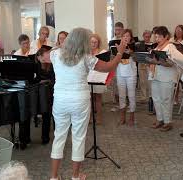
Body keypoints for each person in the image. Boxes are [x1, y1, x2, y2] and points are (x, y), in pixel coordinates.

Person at [49, 27, 127, 180]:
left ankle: (53, 177)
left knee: (59, 136)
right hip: (79, 99)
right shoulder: (86, 57)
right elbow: (109, 67)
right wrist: (120, 52)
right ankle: (76, 176)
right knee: (78, 137)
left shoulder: (54, 54)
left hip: (60, 99)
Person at [150, 26, 183, 131]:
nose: (157, 39)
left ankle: (167, 122)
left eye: (159, 37)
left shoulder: (170, 47)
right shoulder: (156, 48)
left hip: (167, 77)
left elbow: (173, 63)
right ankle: (159, 119)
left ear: (166, 36)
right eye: (156, 37)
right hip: (155, 75)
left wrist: (158, 62)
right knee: (156, 98)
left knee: (166, 100)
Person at [116, 29, 137, 126]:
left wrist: (131, 52)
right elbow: (113, 58)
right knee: (121, 95)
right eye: (124, 36)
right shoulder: (117, 46)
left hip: (131, 73)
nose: (126, 37)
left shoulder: (134, 47)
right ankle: (122, 116)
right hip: (120, 73)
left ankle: (132, 116)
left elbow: (137, 58)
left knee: (131, 95)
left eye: (128, 36)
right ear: (121, 37)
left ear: (130, 38)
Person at [36, 46, 55, 144]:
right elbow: (35, 79)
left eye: (45, 57)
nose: (42, 59)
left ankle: (51, 136)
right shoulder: (36, 65)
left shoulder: (51, 65)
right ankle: (44, 137)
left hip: (50, 91)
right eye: (41, 57)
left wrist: (46, 81)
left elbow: (54, 79)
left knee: (51, 114)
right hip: (39, 92)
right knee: (45, 114)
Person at [89, 33, 107, 124]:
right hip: (89, 77)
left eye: (95, 42)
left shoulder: (102, 52)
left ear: (98, 43)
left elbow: (105, 64)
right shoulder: (87, 53)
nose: (93, 44)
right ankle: (90, 117)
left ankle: (99, 118)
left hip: (99, 77)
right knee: (89, 98)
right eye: (92, 42)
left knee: (98, 98)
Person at [110, 21, 125, 112]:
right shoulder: (112, 39)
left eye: (119, 30)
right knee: (115, 84)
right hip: (115, 63)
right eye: (116, 30)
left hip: (124, 63)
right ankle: (116, 103)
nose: (117, 32)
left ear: (122, 30)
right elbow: (111, 52)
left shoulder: (125, 39)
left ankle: (123, 104)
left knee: (122, 85)